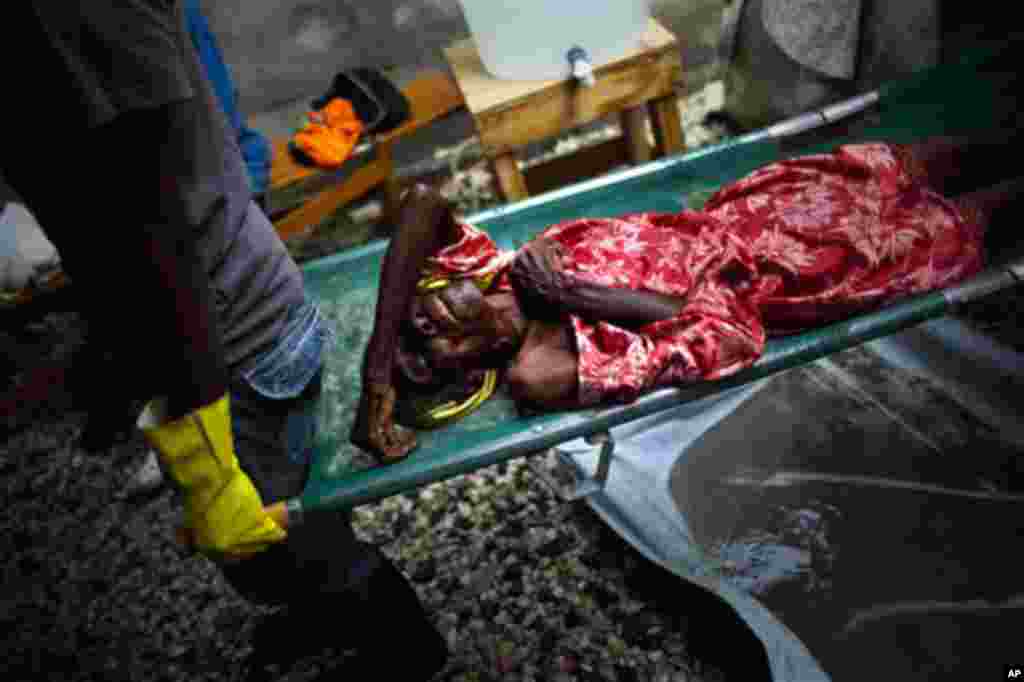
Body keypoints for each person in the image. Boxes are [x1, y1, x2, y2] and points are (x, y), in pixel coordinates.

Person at [0, 4, 446, 681]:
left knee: (291, 544)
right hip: (208, 324)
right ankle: (326, 613)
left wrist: (204, 458)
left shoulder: (68, 14)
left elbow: (158, 224)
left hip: (227, 333)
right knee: (272, 548)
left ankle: (405, 648)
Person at [352, 136, 1023, 462]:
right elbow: (731, 333)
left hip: (759, 209)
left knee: (929, 159)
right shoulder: (549, 361)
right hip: (809, 272)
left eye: (404, 327)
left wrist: (378, 369)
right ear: (468, 374)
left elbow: (421, 203)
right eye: (424, 349)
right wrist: (573, 292)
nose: (417, 323)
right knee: (979, 212)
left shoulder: (496, 273)